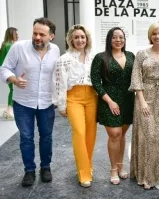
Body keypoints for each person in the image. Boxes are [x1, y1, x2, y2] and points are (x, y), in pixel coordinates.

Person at [0, 18, 60, 186]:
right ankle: (29, 170)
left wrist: (57, 96)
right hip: (23, 102)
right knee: (26, 137)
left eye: (42, 34)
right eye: (35, 33)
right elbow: (4, 68)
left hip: (47, 102)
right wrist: (14, 79)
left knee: (46, 137)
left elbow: (56, 75)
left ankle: (46, 167)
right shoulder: (18, 48)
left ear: (52, 36)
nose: (37, 37)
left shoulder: (55, 50)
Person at [129, 22, 159, 189]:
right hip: (145, 97)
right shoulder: (141, 54)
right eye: (154, 34)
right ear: (150, 36)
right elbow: (136, 78)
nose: (158, 36)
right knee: (148, 136)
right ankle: (147, 176)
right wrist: (141, 101)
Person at [52, 24, 97, 188]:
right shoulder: (64, 60)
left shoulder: (94, 57)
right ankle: (83, 173)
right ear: (71, 39)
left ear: (87, 39)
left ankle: (88, 166)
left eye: (82, 37)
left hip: (92, 96)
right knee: (79, 132)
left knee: (91, 134)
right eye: (76, 37)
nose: (80, 40)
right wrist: (61, 104)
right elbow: (59, 83)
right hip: (73, 98)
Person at [90, 27, 135, 185]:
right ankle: (113, 169)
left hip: (128, 100)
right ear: (109, 40)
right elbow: (96, 82)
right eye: (114, 37)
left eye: (121, 37)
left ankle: (121, 166)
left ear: (124, 39)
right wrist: (109, 101)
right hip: (109, 100)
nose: (118, 40)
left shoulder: (131, 56)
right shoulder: (100, 57)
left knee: (122, 135)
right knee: (114, 134)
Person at [0, 27, 19, 119]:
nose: (18, 36)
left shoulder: (6, 44)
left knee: (12, 89)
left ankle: (9, 110)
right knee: (13, 89)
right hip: (10, 72)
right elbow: (13, 60)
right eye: (16, 34)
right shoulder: (9, 46)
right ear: (11, 34)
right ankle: (9, 110)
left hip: (7, 71)